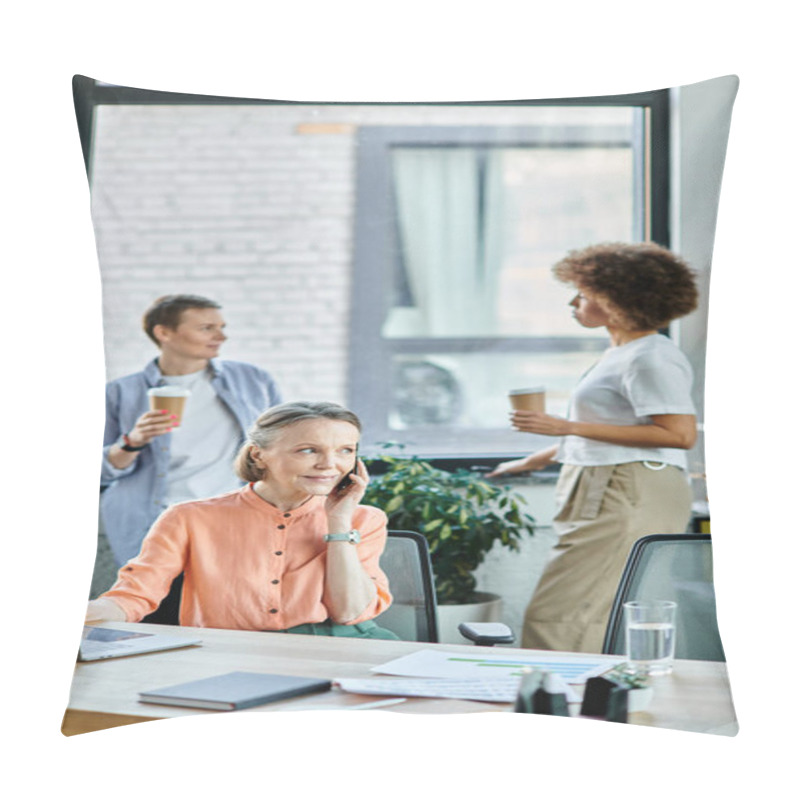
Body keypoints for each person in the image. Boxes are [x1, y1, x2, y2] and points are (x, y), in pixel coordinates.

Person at [488, 242, 699, 653]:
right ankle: (585, 704)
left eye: (583, 294)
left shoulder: (650, 358)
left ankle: (559, 708)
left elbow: (678, 435)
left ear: (617, 301)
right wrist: (537, 458)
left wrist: (563, 426)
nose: (573, 301)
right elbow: (613, 428)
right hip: (610, 483)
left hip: (625, 489)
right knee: (587, 611)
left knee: (561, 615)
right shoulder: (623, 354)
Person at [87, 401, 399, 639]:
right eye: (308, 450)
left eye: (346, 450)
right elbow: (133, 596)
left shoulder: (363, 519)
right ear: (258, 455)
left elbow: (350, 612)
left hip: (338, 647)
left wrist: (338, 524)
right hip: (227, 649)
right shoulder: (188, 518)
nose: (330, 465)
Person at [101, 294, 282, 568]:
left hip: (230, 515)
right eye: (207, 328)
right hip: (150, 521)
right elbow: (98, 472)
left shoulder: (253, 380)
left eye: (222, 327)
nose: (221, 336)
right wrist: (132, 441)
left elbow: (283, 445)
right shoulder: (121, 393)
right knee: (154, 606)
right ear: (164, 332)